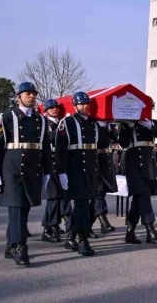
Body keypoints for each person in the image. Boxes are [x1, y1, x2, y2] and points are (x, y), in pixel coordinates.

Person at [0, 82, 53, 266]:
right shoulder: (7, 118)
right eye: (27, 94)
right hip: (12, 170)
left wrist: (48, 171)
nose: (31, 96)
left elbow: (45, 149)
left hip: (33, 171)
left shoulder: (41, 120)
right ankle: (20, 247)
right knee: (16, 207)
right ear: (18, 97)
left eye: (33, 93)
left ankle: (10, 244)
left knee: (23, 208)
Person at [55, 91, 105, 256]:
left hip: (90, 170)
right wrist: (61, 172)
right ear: (75, 105)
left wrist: (106, 126)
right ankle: (83, 240)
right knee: (82, 204)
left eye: (87, 103)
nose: (86, 106)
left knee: (86, 205)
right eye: (82, 104)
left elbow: (103, 144)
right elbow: (61, 150)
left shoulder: (94, 123)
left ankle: (71, 235)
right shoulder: (67, 122)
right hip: (74, 170)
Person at [117, 117, 157, 244]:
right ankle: (151, 231)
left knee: (138, 200)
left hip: (148, 163)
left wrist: (151, 127)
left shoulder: (153, 122)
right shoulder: (126, 123)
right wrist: (128, 127)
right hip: (133, 163)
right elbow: (123, 143)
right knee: (144, 195)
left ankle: (130, 232)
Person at [41, 98, 71, 244]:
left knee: (62, 197)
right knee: (53, 198)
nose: (55, 109)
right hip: (49, 164)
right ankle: (50, 228)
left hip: (62, 164)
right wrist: (61, 125)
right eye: (51, 107)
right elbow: (48, 139)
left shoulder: (62, 124)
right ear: (46, 110)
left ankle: (50, 227)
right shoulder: (43, 123)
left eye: (57, 107)